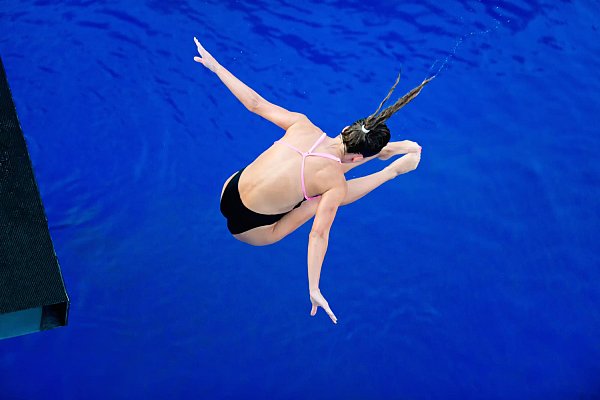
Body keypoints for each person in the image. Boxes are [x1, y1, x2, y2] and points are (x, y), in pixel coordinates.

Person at [193, 37, 432, 324]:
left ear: (346, 128)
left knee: (324, 178)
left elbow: (255, 104)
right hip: (252, 228)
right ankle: (389, 169)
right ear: (356, 158)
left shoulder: (300, 124)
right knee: (326, 196)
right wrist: (314, 287)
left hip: (229, 189)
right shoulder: (335, 183)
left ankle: (385, 152)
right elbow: (318, 235)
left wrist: (217, 67)